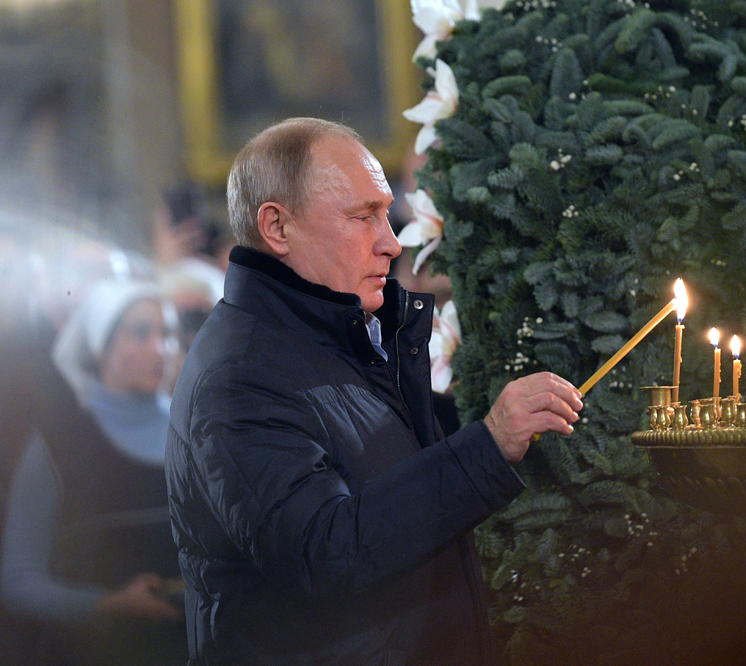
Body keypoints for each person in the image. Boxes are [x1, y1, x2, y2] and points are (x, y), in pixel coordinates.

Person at [165, 117, 583, 664]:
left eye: (386, 212)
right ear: (277, 227)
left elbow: (379, 464)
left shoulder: (334, 335)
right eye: (362, 217)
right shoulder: (239, 377)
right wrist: (487, 445)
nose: (390, 243)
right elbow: (325, 553)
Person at [0, 279, 185, 664]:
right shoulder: (57, 445)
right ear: (101, 343)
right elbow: (18, 580)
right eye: (139, 333)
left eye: (167, 334)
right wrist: (106, 605)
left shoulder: (197, 435)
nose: (160, 349)